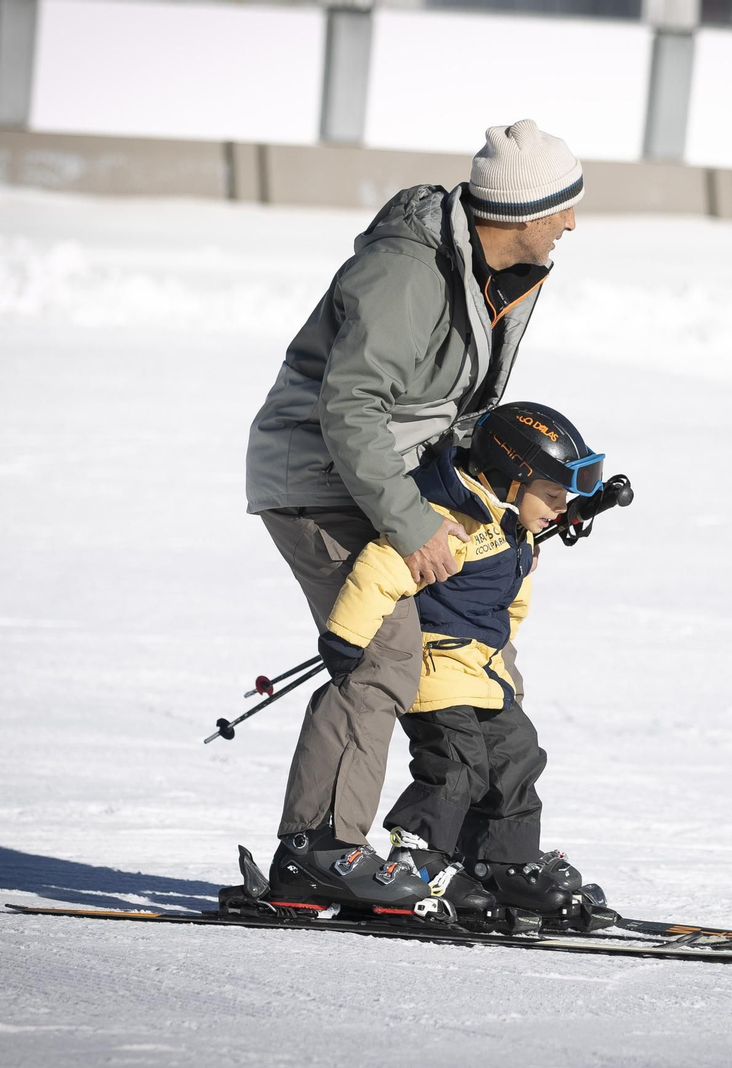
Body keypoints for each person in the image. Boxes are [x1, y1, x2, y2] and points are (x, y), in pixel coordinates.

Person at [244, 121, 583, 907]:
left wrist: (514, 500)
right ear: (523, 209)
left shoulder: (494, 272)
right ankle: (318, 849)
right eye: (563, 206)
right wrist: (411, 521)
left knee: (470, 652)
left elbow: (457, 413)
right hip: (320, 474)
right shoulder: (409, 272)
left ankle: (475, 854)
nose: (572, 224)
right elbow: (352, 407)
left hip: (398, 477)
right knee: (384, 647)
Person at [268, 402, 603, 928]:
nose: (561, 510)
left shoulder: (510, 522)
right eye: (554, 496)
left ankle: (502, 859)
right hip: (434, 667)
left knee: (518, 756)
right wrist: (346, 637)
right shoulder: (445, 517)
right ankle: (419, 856)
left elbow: (510, 602)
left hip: (480, 671)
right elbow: (381, 568)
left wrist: (499, 659)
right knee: (457, 765)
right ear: (509, 480)